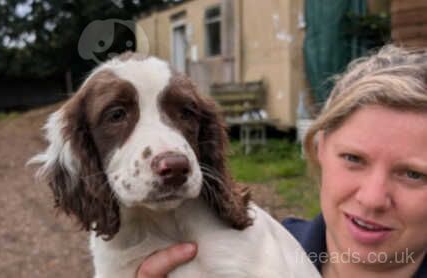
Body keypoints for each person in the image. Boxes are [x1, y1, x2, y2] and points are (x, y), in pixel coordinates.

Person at [136, 45, 427, 277]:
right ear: (319, 149)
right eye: (353, 158)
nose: (373, 198)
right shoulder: (250, 250)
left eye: (413, 174)